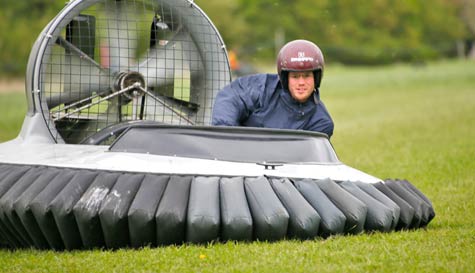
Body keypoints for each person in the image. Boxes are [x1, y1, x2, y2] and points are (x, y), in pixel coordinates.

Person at [211, 39, 334, 138]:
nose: (301, 82)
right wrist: (226, 135)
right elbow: (230, 97)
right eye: (295, 77)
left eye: (307, 76)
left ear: (316, 78)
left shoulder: (321, 122)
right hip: (241, 155)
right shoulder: (262, 87)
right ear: (285, 79)